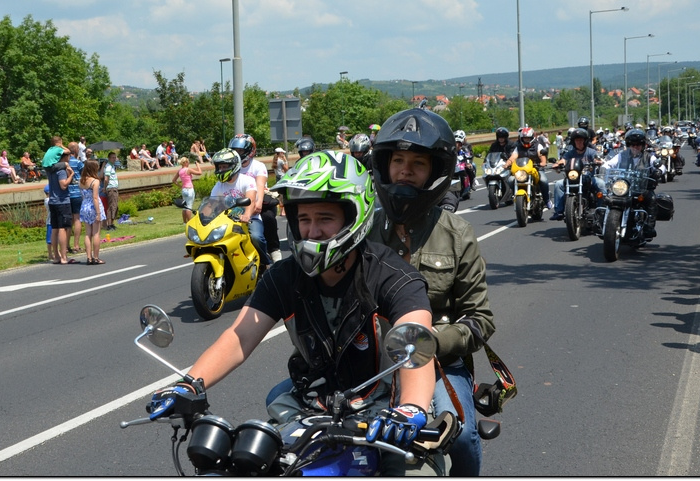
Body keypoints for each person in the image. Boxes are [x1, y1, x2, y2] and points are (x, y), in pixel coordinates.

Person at [149, 150, 438, 475]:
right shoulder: (284, 276)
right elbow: (239, 335)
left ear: (354, 216)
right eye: (304, 219)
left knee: (416, 469)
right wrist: (189, 384)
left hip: (384, 410)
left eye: (325, 218)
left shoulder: (392, 276)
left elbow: (415, 344)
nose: (312, 231)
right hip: (311, 405)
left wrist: (411, 408)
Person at [367, 108, 496, 477]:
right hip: (370, 366)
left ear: (435, 171)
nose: (405, 170)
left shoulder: (457, 234)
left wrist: (431, 342)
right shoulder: (363, 230)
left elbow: (481, 320)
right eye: (398, 160)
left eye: (417, 162)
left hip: (438, 364)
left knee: (463, 436)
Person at [602, 128, 663, 238]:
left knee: (651, 199)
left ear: (643, 145)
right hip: (623, 186)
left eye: (638, 144)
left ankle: (649, 227)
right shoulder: (622, 155)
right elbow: (609, 164)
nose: (635, 147)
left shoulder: (649, 157)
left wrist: (659, 171)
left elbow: (660, 165)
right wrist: (603, 168)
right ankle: (602, 223)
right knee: (606, 196)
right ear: (629, 145)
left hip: (641, 188)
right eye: (633, 144)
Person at [230, 134, 273, 265]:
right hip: (233, 211)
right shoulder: (230, 166)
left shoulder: (258, 166)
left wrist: (257, 203)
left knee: (256, 237)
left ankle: (266, 263)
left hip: (252, 210)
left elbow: (260, 186)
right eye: (235, 150)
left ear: (250, 151)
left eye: (241, 151)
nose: (237, 154)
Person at [549, 128, 604, 221]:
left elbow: (596, 158)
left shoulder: (591, 152)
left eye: (581, 140)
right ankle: (559, 211)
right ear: (573, 142)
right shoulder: (570, 153)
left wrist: (597, 161)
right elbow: (563, 160)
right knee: (558, 184)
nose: (579, 142)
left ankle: (602, 210)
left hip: (588, 178)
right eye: (577, 140)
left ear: (585, 141)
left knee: (601, 184)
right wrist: (557, 164)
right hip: (573, 178)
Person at [508, 126, 551, 211]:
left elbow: (541, 155)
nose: (526, 140)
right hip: (522, 171)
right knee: (510, 179)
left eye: (528, 138)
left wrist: (542, 163)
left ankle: (547, 200)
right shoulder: (518, 147)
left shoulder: (537, 146)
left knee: (543, 181)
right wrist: (507, 164)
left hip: (536, 169)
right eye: (525, 138)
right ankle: (515, 196)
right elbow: (513, 157)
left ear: (532, 137)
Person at [47, 148, 77, 264]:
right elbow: (63, 185)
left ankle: (56, 256)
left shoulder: (51, 169)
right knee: (63, 229)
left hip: (53, 201)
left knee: (54, 228)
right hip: (62, 201)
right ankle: (64, 256)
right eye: (68, 157)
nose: (69, 159)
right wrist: (72, 174)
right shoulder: (62, 170)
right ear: (64, 157)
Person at [79, 159, 106, 265]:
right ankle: (96, 257)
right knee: (96, 233)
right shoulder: (95, 181)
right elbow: (95, 197)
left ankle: (88, 257)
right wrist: (98, 213)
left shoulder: (81, 181)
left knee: (87, 233)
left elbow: (83, 195)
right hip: (94, 207)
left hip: (84, 205)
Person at [66, 142, 85, 256]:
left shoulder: (65, 163)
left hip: (66, 194)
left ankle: (66, 245)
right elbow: (85, 175)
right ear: (76, 150)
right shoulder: (78, 163)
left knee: (69, 221)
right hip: (77, 194)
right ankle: (76, 245)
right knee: (77, 219)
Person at [173, 156, 203, 223]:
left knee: (184, 207)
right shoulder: (188, 170)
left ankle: (184, 222)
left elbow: (174, 180)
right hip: (189, 189)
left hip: (184, 189)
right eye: (188, 162)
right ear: (185, 162)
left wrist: (180, 186)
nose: (189, 163)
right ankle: (189, 222)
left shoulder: (180, 171)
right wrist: (198, 165)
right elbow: (200, 173)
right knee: (189, 206)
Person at [103, 152, 120, 231]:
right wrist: (105, 187)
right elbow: (106, 178)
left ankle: (112, 223)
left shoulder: (112, 166)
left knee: (115, 206)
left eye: (115, 157)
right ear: (109, 158)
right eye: (112, 157)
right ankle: (109, 225)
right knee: (111, 207)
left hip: (114, 188)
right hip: (111, 188)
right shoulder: (109, 167)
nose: (114, 159)